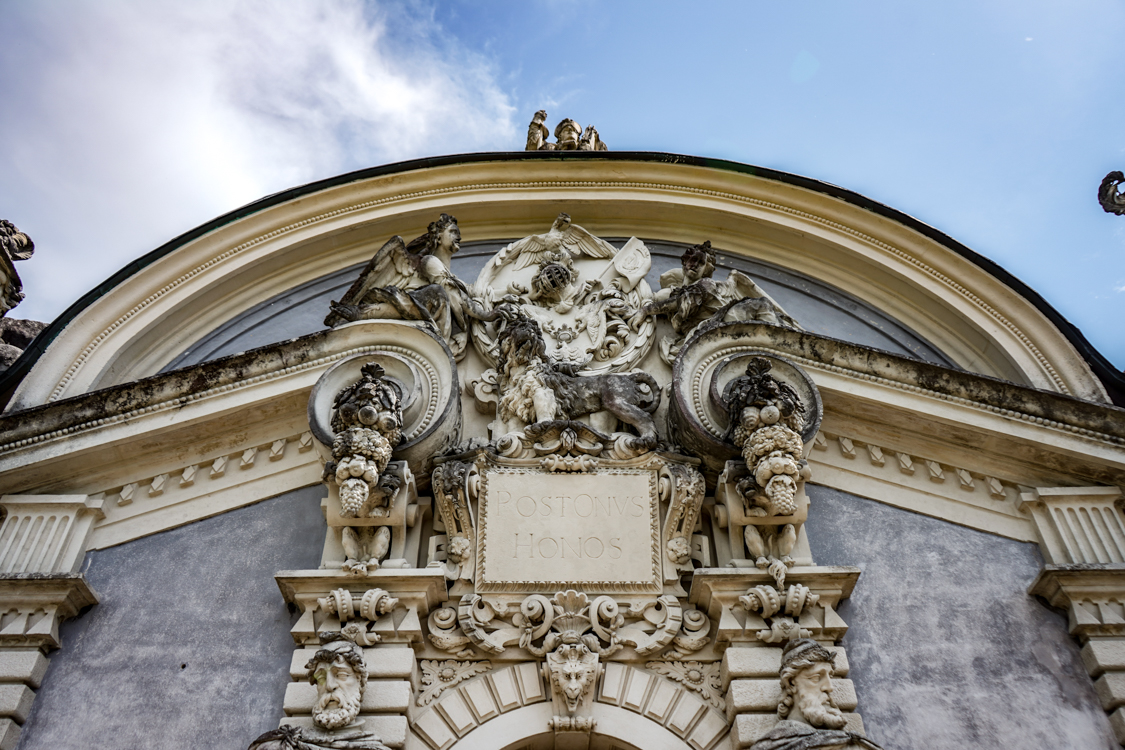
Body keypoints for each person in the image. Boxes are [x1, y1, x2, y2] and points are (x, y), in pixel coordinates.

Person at [749, 639, 883, 750]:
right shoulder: (771, 747)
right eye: (816, 678)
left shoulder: (855, 744)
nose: (829, 688)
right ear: (791, 683)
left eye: (830, 677)